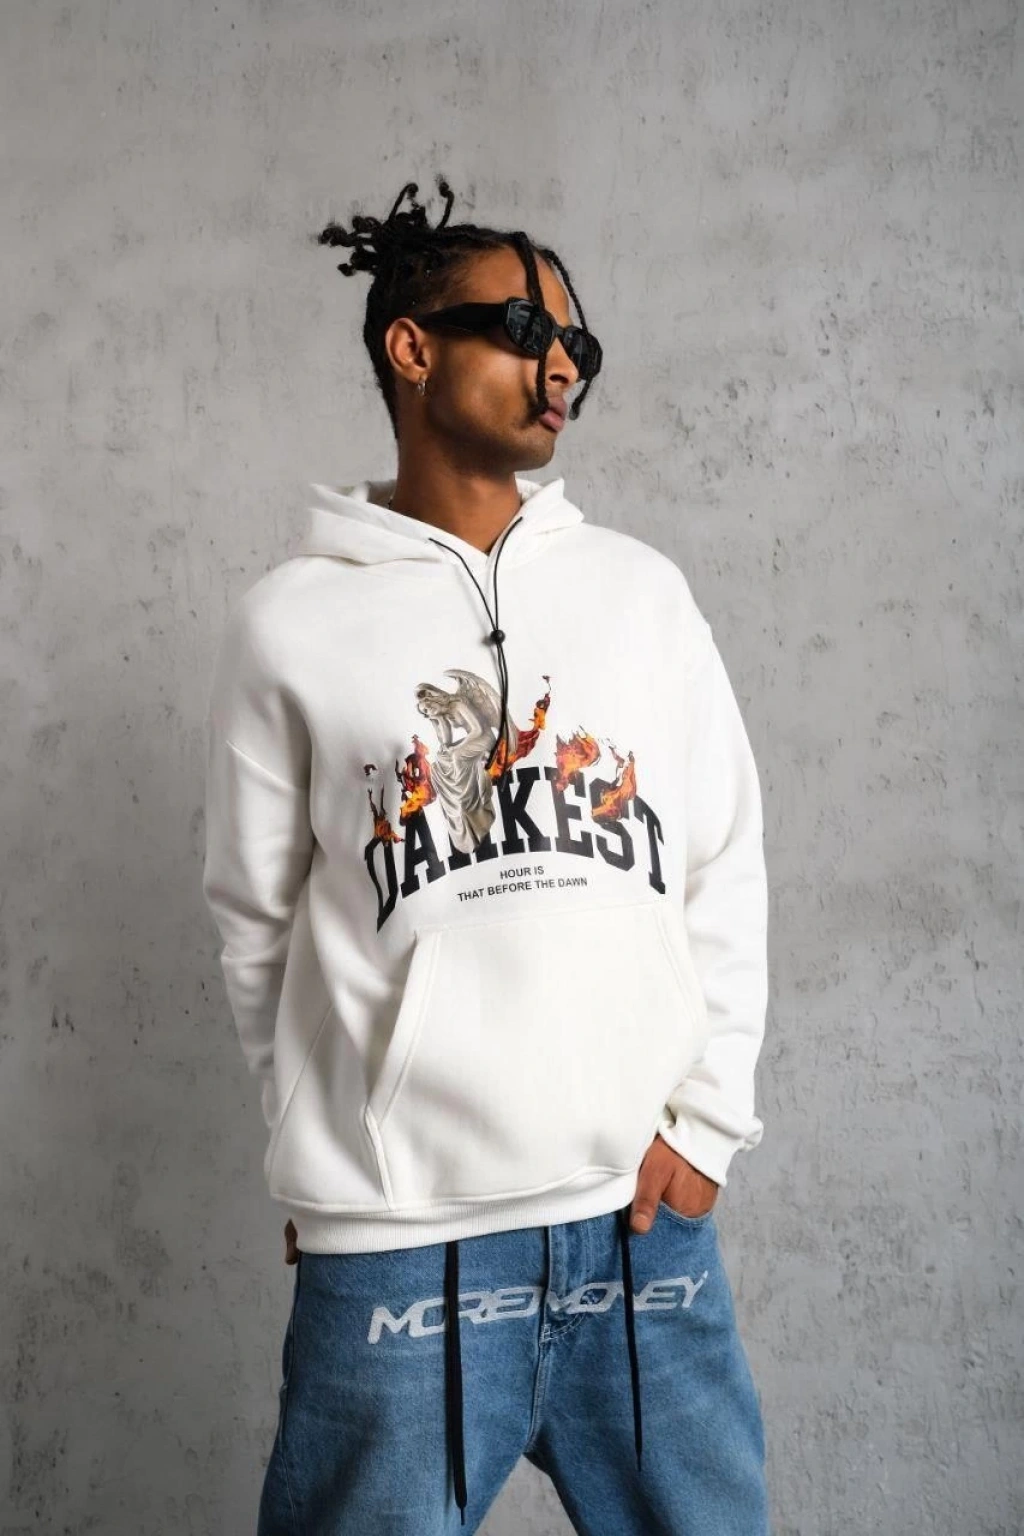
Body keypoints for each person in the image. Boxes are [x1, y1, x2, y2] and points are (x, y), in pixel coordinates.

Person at [202, 174, 772, 1535]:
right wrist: (317, 1143)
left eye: (576, 343)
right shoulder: (290, 624)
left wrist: (706, 1126)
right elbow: (253, 919)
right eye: (523, 330)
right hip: (399, 1251)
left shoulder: (641, 594)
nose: (560, 366)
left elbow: (723, 859)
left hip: (640, 1238)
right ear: (412, 346)